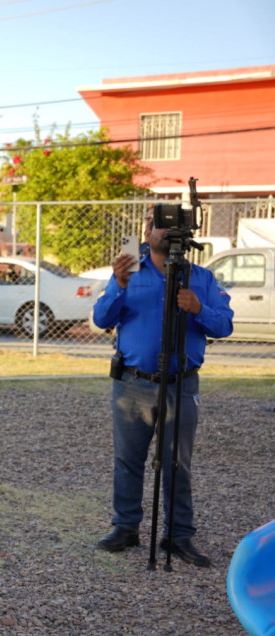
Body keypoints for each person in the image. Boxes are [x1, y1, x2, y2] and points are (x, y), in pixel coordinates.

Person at [92, 215, 233, 567]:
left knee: (178, 462)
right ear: (146, 233)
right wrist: (119, 284)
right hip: (133, 383)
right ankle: (125, 527)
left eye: (173, 224)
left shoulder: (201, 278)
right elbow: (101, 319)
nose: (166, 230)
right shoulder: (128, 272)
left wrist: (197, 308)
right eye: (158, 223)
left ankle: (178, 534)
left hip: (181, 384)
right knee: (128, 459)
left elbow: (225, 324)